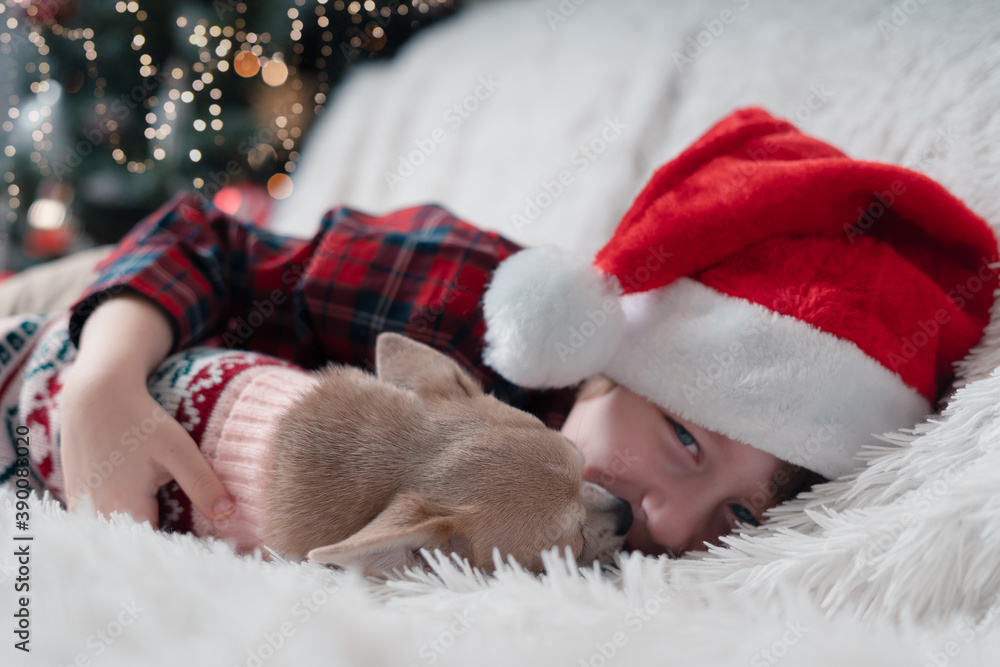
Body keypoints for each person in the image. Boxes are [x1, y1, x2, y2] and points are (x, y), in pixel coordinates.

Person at [48, 106, 999, 559]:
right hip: (98, 319)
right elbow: (208, 238)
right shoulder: (460, 298)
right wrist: (104, 383)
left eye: (737, 514)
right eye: (682, 437)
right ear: (608, 359)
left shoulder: (646, 563)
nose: (664, 519)